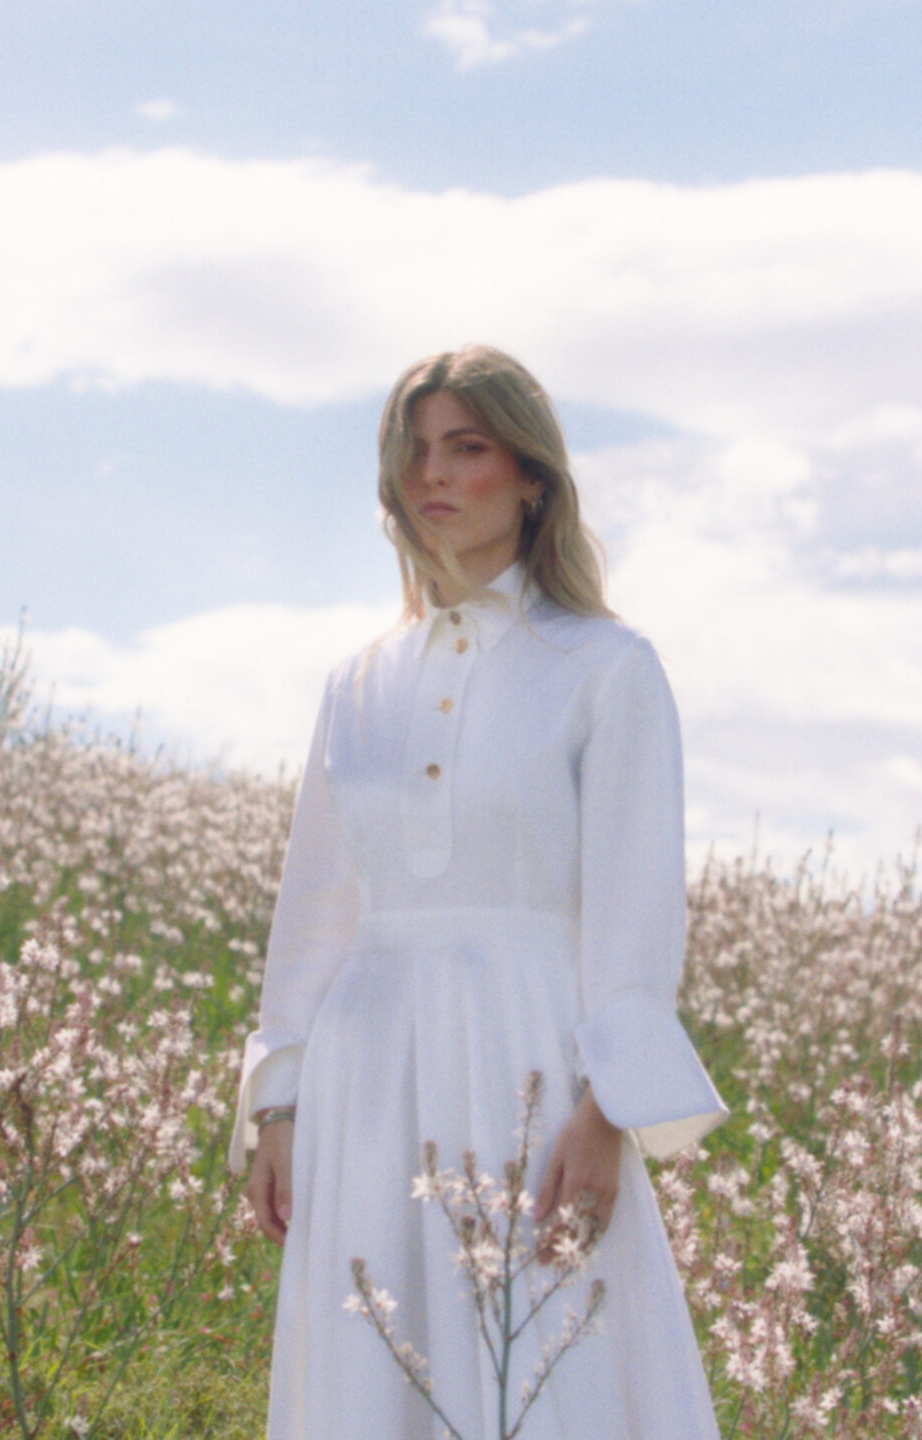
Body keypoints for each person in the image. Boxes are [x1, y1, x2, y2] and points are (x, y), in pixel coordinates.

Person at [232, 345, 729, 1439]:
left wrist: (606, 1113)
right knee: (375, 1372)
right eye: (413, 453)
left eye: (466, 448)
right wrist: (277, 1106)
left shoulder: (607, 666)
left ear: (532, 477)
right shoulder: (356, 684)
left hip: (531, 1073)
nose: (433, 476)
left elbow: (636, 915)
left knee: (552, 1371)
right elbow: (313, 916)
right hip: (366, 1088)